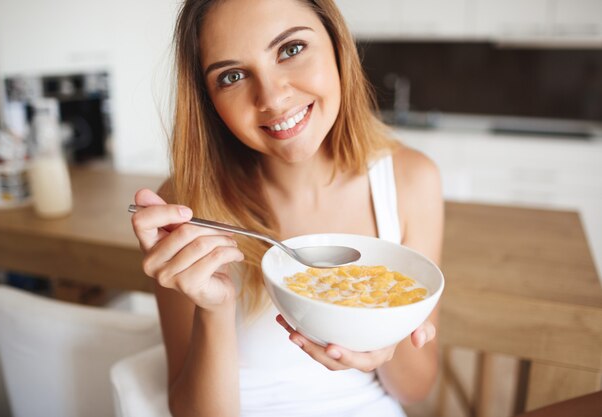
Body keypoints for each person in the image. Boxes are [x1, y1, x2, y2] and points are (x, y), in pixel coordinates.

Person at [130, 0, 444, 416]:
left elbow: (416, 388)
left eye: (290, 49)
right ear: (208, 100)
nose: (273, 98)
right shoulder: (189, 204)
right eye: (233, 76)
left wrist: (382, 331)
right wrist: (215, 308)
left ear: (336, 43)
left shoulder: (409, 181)